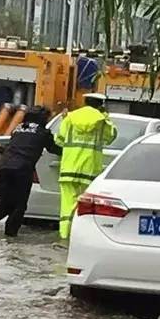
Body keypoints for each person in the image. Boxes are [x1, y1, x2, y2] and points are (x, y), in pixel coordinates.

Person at [0, 106, 61, 237]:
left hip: (3, 169)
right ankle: (10, 236)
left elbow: (5, 148)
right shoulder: (43, 132)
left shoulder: (18, 129)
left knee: (5, 201)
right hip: (22, 171)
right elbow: (54, 149)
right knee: (19, 205)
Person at [55, 92, 117, 241]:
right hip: (89, 170)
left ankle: (64, 236)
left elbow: (59, 140)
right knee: (85, 208)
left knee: (66, 205)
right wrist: (107, 118)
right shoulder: (102, 121)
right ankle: (81, 239)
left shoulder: (69, 118)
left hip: (69, 169)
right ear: (101, 105)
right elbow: (111, 137)